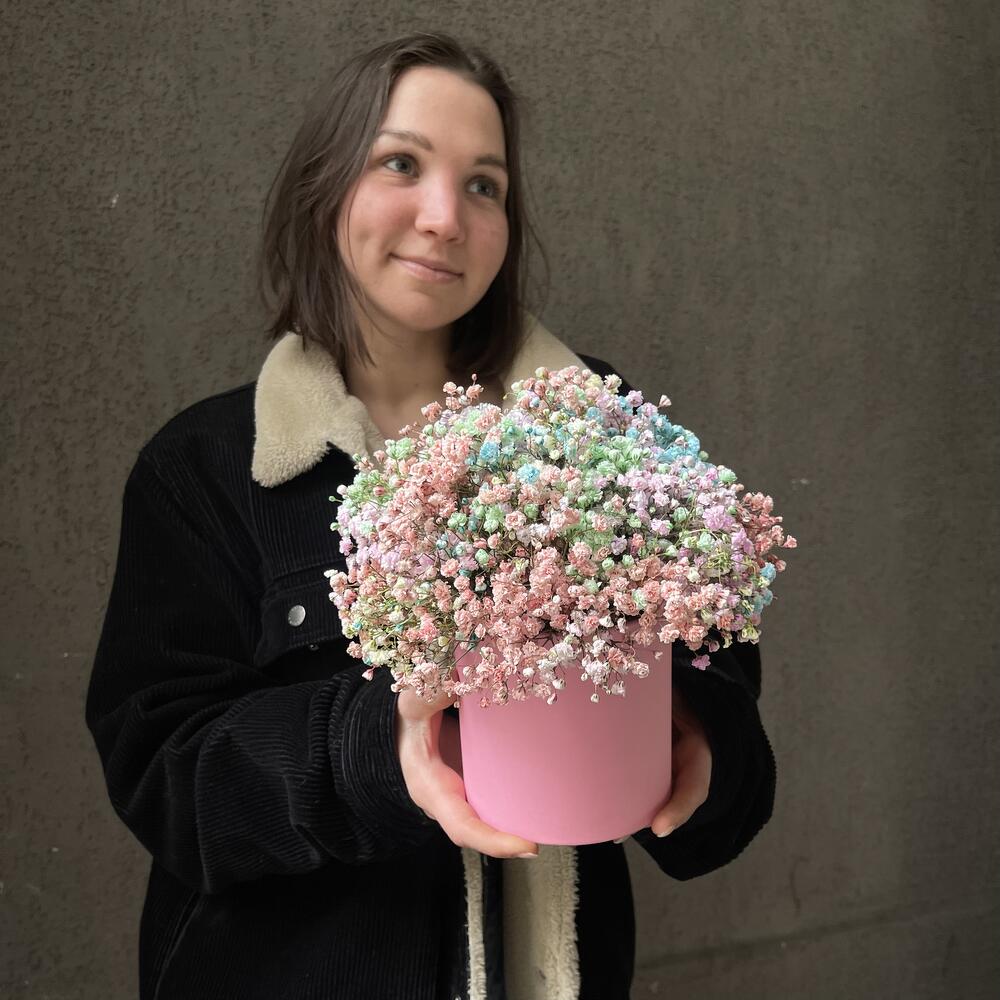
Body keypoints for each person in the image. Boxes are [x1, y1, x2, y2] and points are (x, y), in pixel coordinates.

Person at [86, 31, 775, 1000]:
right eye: (401, 164)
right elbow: (165, 775)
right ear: (325, 188)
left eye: (484, 184)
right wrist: (381, 749)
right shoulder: (207, 468)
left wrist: (700, 735)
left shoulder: (595, 426)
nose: (445, 217)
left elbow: (717, 666)